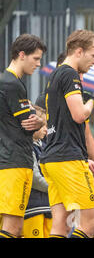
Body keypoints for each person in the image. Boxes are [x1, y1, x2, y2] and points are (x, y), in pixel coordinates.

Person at [40, 29, 94, 238]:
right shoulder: (70, 74)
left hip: (52, 159)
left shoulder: (56, 74)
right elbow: (79, 115)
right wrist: (91, 101)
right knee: (91, 226)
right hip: (68, 159)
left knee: (60, 226)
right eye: (93, 55)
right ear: (79, 51)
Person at [0, 34, 46, 238]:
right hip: (15, 163)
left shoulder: (7, 81)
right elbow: (30, 124)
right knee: (13, 226)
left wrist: (37, 119)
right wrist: (41, 120)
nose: (38, 64)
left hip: (9, 160)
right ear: (21, 55)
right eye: (35, 58)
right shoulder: (12, 84)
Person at [22, 105, 52, 238]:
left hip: (49, 206)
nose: (46, 129)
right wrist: (53, 188)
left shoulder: (45, 147)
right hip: (33, 207)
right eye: (43, 125)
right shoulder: (27, 147)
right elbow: (35, 179)